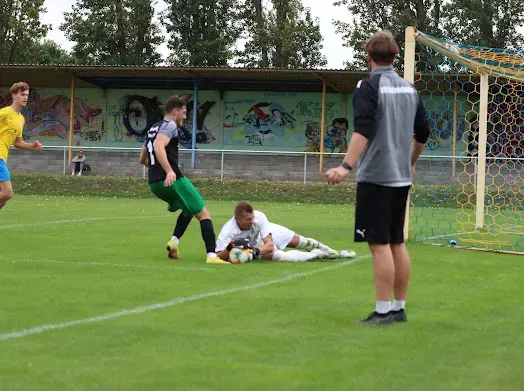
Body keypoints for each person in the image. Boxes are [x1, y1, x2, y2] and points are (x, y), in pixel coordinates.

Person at [325, 31, 430, 324]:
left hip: (376, 177)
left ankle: (383, 311)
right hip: (400, 178)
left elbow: (364, 128)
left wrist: (345, 166)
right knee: (397, 242)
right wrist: (410, 163)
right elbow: (423, 133)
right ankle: (398, 308)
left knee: (379, 244)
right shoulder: (411, 89)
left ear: (368, 55)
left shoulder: (367, 87)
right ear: (395, 57)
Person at [139, 95, 229, 265]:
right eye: (184, 113)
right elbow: (159, 147)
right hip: (172, 180)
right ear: (175, 112)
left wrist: (158, 171)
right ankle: (211, 256)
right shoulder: (170, 125)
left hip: (154, 184)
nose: (185, 117)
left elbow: (142, 158)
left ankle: (174, 242)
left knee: (188, 209)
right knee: (204, 214)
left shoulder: (153, 127)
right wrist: (169, 171)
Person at [215, 202, 357, 263]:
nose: (252, 221)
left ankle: (336, 253)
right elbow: (217, 257)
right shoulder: (228, 231)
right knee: (284, 258)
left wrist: (252, 252)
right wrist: (231, 247)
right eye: (247, 219)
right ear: (237, 218)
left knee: (304, 242)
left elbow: (269, 245)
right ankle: (317, 255)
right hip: (257, 244)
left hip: (267, 236)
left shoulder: (259, 218)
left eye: (252, 217)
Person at [0, 82, 42, 210]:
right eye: (22, 94)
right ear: (14, 95)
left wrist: (32, 146)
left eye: (27, 95)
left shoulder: (21, 119)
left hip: (3, 157)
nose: (25, 97)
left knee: (2, 200)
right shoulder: (4, 113)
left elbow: (17, 141)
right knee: (7, 193)